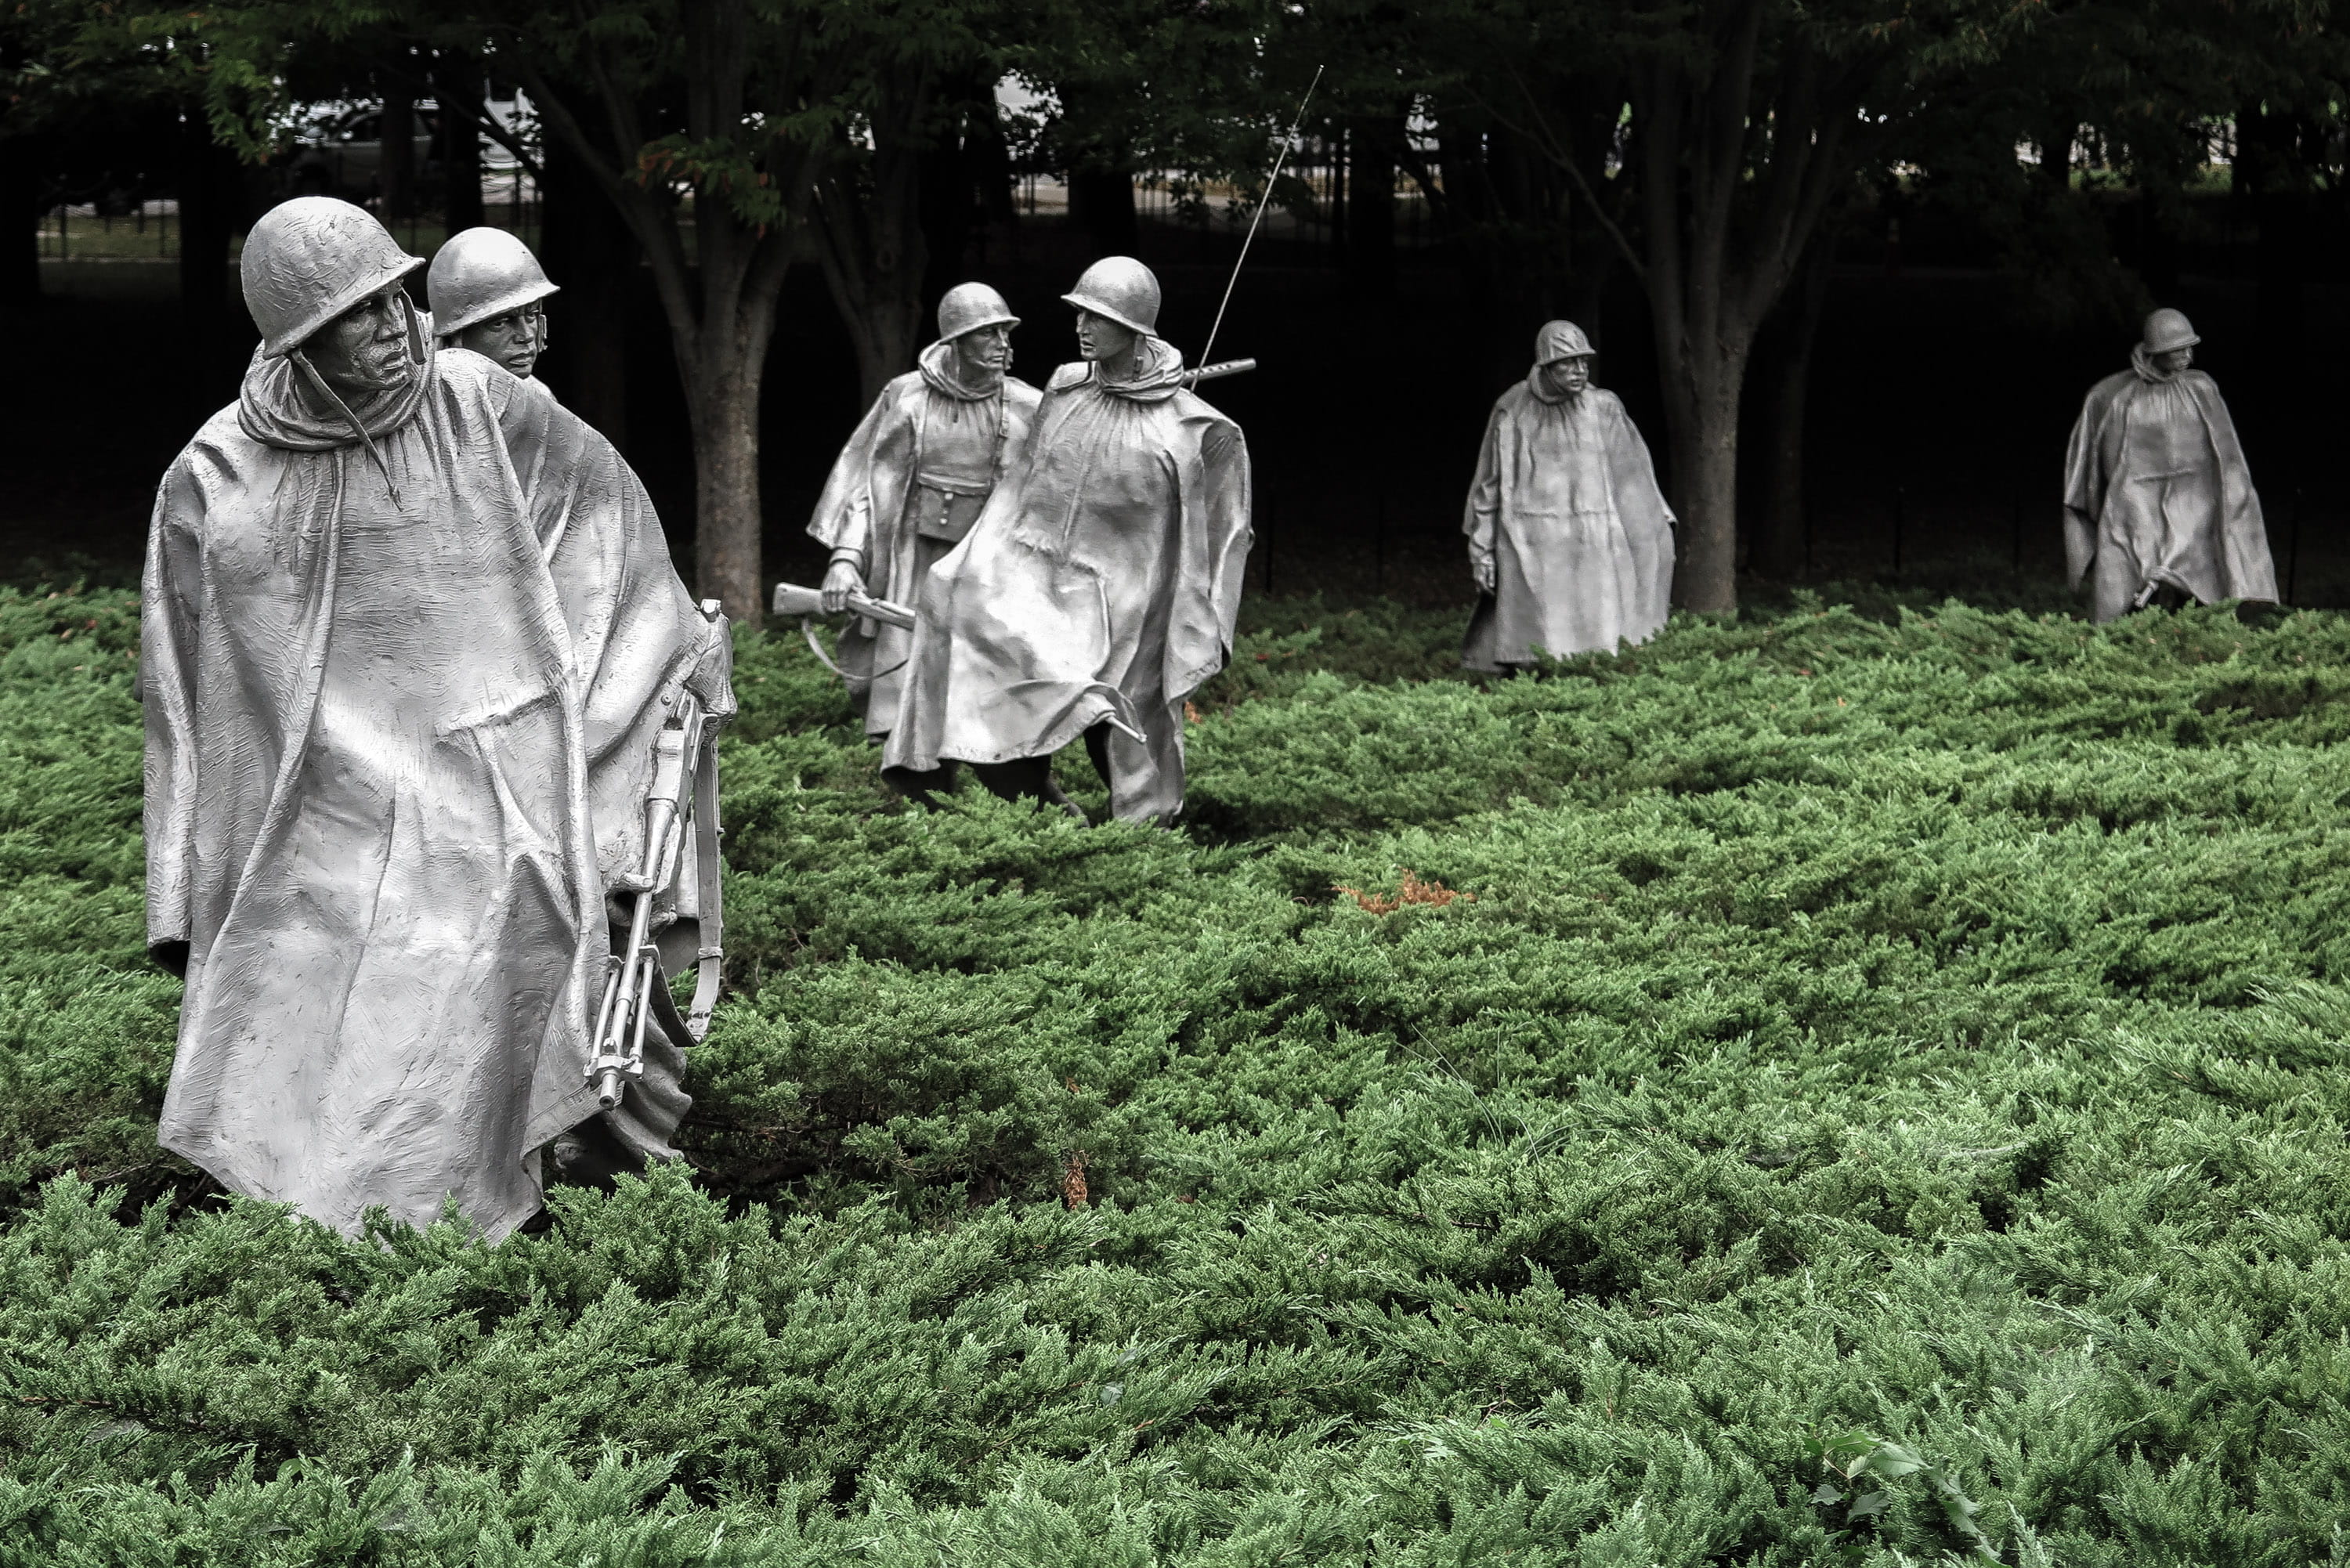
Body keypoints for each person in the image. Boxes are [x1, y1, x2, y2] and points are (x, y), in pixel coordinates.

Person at [143, 197, 733, 1241]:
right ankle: (352, 1222)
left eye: (396, 300)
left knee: (520, 899)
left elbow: (608, 522)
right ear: (296, 341)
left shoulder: (478, 402)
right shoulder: (216, 476)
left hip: (493, 773)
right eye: (359, 317)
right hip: (323, 802)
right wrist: (185, 884)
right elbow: (189, 699)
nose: (395, 329)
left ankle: (497, 1205)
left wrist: (671, 647)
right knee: (322, 942)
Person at [884, 257, 1252, 826]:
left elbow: (1225, 536)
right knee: (959, 609)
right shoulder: (1065, 386)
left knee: (1113, 697)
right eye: (1079, 314)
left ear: (1135, 328)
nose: (1081, 327)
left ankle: (1146, 826)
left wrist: (1204, 623)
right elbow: (1022, 488)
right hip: (1045, 575)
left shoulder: (1198, 430)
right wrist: (971, 563)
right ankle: (1001, 792)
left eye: (1096, 317)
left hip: (1131, 603)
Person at [805, 284, 1043, 782]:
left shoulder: (1027, 406)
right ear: (957, 341)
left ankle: (1019, 783)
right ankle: (921, 780)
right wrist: (846, 559)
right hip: (915, 565)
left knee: (992, 685)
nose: (1002, 342)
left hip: (988, 572)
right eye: (988, 333)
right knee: (913, 683)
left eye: (1006, 331)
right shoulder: (907, 398)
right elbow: (870, 486)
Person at [1461, 320, 1675, 671]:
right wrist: (1482, 551)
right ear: (1546, 364)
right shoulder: (1512, 408)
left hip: (1594, 542)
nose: (1579, 370)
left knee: (1597, 638)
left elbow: (1632, 477)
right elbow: (1489, 484)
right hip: (1530, 543)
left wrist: (1653, 527)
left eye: (1583, 362)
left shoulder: (1602, 408)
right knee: (1538, 644)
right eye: (1568, 362)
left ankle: (1588, 694)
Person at [2063, 308, 2279, 622]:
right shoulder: (2117, 397)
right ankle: (2126, 628)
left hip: (2196, 501)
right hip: (2136, 500)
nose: (2188, 357)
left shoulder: (2201, 389)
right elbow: (2102, 460)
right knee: (2130, 559)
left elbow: (2228, 456)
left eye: (2190, 348)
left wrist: (2234, 501)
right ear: (2156, 351)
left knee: (2198, 569)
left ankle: (2198, 626)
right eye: (2178, 350)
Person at [425, 225, 555, 379]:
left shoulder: (540, 397)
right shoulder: (428, 400)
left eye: (531, 315)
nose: (526, 336)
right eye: (499, 323)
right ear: (454, 336)